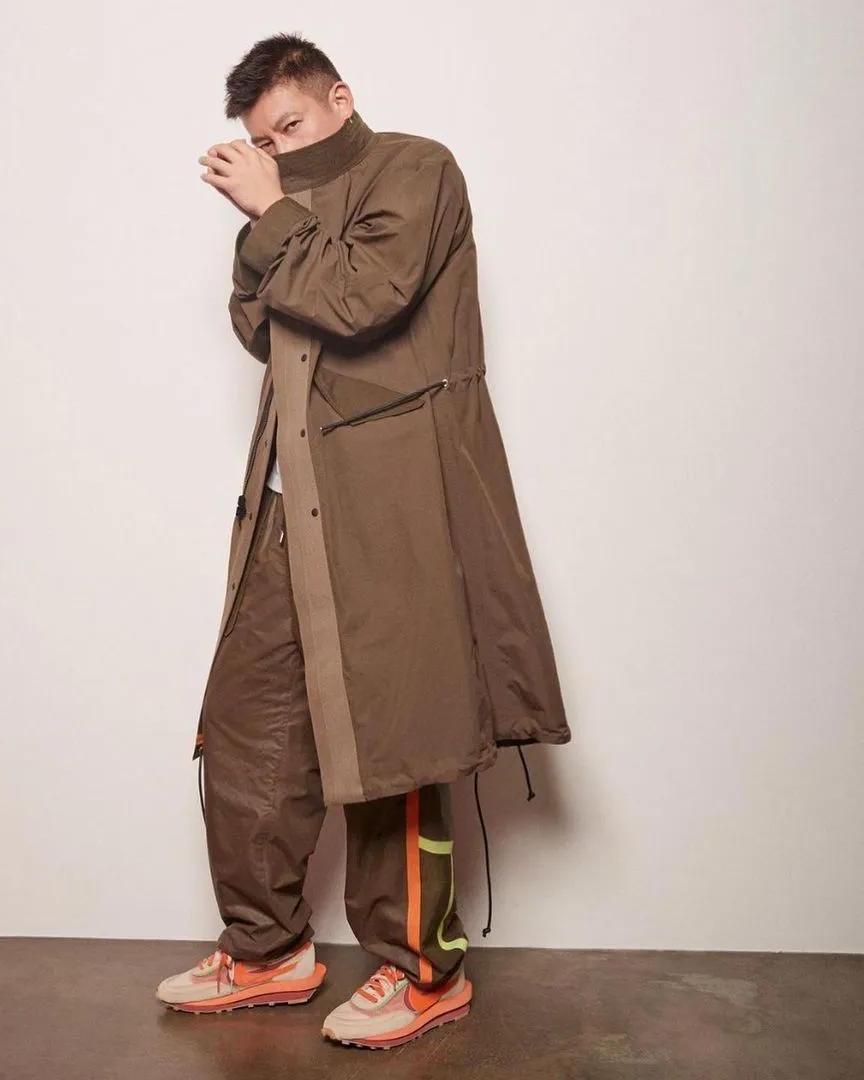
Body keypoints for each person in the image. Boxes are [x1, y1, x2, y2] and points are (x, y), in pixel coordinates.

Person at [155, 32, 571, 1050]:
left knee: (395, 737)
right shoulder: (283, 207)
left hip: (392, 509)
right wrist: (274, 223)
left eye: (290, 126)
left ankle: (423, 972)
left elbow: (360, 298)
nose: (276, 151)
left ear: (339, 98)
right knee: (249, 726)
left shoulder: (416, 169)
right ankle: (266, 950)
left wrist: (269, 212)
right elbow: (258, 327)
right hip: (287, 503)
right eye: (261, 140)